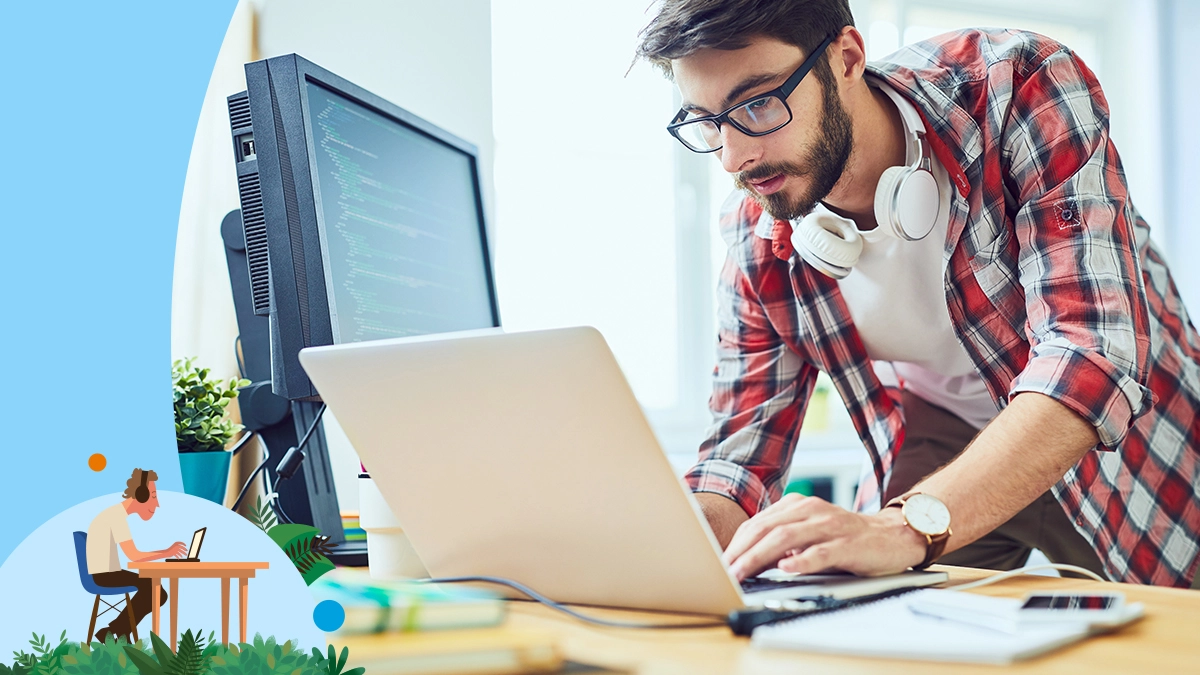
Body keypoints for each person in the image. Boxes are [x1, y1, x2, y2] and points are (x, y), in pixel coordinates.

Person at [635, 0, 1200, 588]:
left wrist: (906, 528)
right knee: (872, 624)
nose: (734, 157)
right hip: (941, 429)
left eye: (758, 104)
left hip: (1123, 429)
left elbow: (1090, 356)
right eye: (706, 121)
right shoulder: (756, 234)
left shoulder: (1017, 84)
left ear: (847, 58)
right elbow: (739, 458)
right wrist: (654, 537)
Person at [86, 468, 188, 642]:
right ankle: (118, 631)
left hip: (107, 572)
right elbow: (134, 555)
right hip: (102, 576)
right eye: (154, 496)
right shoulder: (115, 516)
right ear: (140, 495)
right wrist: (167, 552)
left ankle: (115, 631)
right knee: (155, 589)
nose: (157, 504)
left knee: (156, 590)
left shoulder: (115, 514)